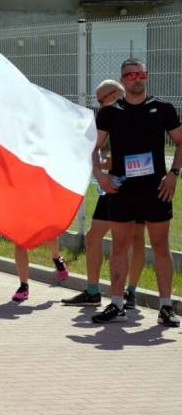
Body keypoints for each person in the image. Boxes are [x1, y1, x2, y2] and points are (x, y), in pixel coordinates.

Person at [91, 58, 181, 326]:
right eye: (131, 76)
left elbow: (180, 141)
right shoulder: (110, 112)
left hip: (156, 190)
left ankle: (166, 307)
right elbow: (92, 147)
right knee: (119, 246)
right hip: (122, 190)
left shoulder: (162, 108)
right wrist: (100, 175)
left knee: (161, 247)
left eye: (141, 74)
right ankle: (116, 304)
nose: (137, 79)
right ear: (122, 80)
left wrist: (173, 174)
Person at [62, 80, 146, 307]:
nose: (99, 105)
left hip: (138, 186)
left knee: (136, 239)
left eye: (101, 100)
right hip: (111, 186)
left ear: (117, 93)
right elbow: (99, 148)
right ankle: (92, 291)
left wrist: (108, 163)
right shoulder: (107, 117)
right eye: (97, 102)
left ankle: (131, 292)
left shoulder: (140, 112)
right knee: (93, 236)